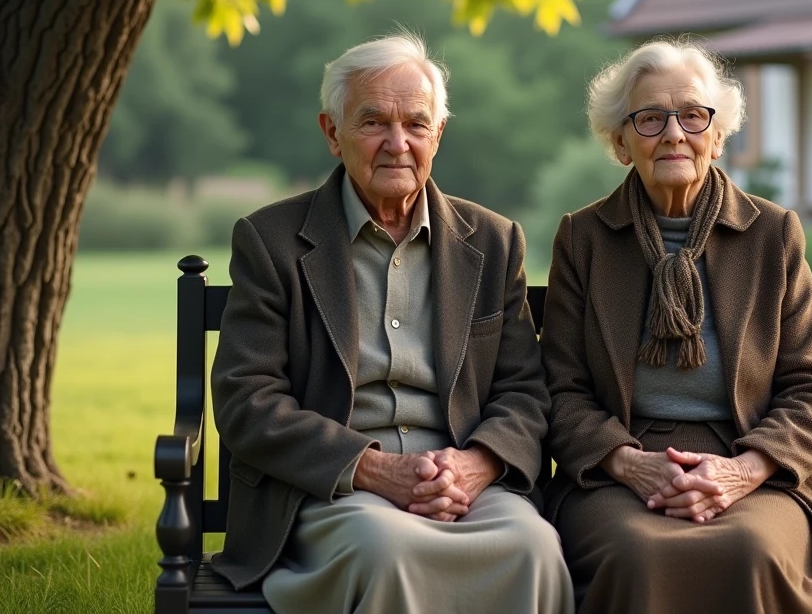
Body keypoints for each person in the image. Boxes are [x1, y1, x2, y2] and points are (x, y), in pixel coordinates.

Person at [210, 33, 573, 614]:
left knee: (534, 546)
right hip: (336, 488)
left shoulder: (494, 241)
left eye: (416, 124)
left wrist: (476, 466)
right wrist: (375, 469)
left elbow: (524, 391)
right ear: (333, 133)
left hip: (465, 483)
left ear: (439, 135)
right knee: (385, 548)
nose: (397, 144)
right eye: (374, 122)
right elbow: (246, 397)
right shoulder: (271, 241)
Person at [540, 38, 812, 613]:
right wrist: (629, 464)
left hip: (755, 468)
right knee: (636, 553)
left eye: (693, 115)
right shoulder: (583, 239)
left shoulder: (773, 235)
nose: (673, 133)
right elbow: (560, 388)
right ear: (621, 143)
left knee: (749, 548)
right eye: (650, 118)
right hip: (619, 471)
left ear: (717, 137)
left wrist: (743, 471)